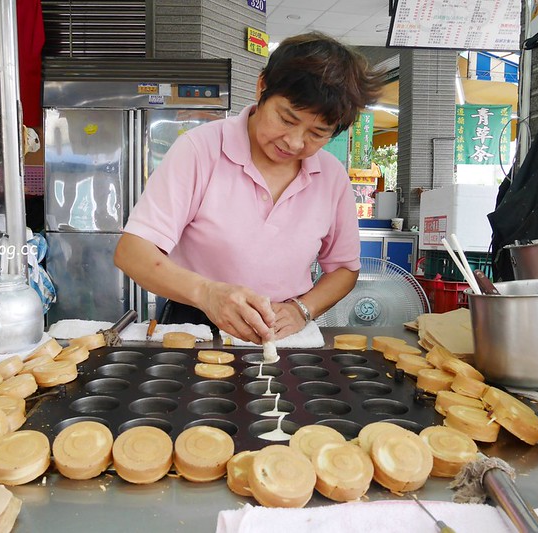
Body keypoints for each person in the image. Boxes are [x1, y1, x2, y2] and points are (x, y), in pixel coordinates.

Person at [114, 32, 385, 344]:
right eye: (286, 119)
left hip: (284, 329)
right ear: (262, 87)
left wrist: (302, 310)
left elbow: (343, 270)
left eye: (317, 133)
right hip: (198, 323)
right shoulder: (202, 149)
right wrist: (207, 293)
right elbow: (132, 252)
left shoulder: (332, 176)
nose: (295, 142)